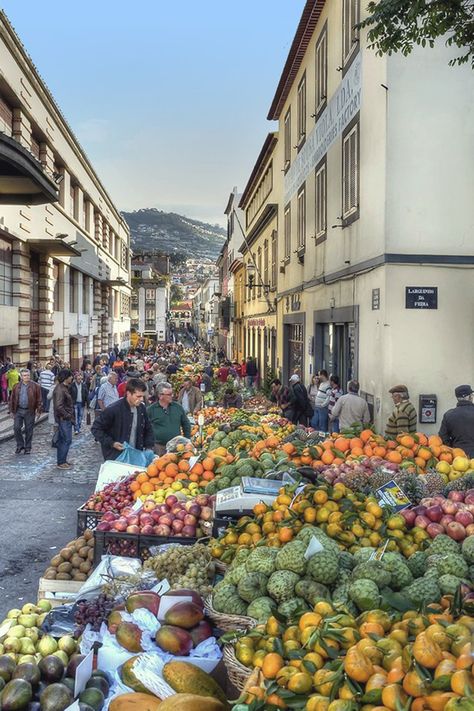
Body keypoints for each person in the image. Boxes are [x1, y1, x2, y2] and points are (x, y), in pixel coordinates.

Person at [91, 378, 154, 461]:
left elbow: (148, 427)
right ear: (128, 393)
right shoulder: (113, 409)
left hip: (136, 455)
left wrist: (149, 446)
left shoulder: (141, 408)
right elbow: (96, 428)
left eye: (142, 396)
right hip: (117, 457)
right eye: (138, 396)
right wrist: (112, 443)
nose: (142, 399)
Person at [147, 382, 191, 456]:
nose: (172, 396)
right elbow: (144, 428)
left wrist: (187, 441)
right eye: (169, 394)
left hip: (176, 447)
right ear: (160, 396)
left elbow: (186, 424)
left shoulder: (178, 407)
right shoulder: (151, 410)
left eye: (172, 393)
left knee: (173, 467)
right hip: (158, 448)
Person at [10, 368, 42, 454]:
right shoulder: (16, 386)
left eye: (28, 375)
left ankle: (28, 447)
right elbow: (12, 399)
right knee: (16, 428)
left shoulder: (36, 386)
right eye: (24, 375)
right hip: (18, 410)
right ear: (21, 376)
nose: (26, 377)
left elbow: (39, 399)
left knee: (29, 430)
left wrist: (38, 410)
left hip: (30, 411)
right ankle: (20, 445)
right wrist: (12, 411)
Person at [439, 384, 474, 457]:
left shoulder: (448, 415)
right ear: (470, 397)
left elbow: (443, 437)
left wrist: (453, 448)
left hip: (457, 457)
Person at [53, 369, 75, 469]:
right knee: (66, 440)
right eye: (70, 376)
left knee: (64, 440)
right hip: (64, 419)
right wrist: (68, 416)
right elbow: (59, 406)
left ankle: (62, 460)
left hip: (65, 418)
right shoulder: (60, 389)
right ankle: (61, 462)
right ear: (66, 377)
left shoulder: (64, 387)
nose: (72, 377)